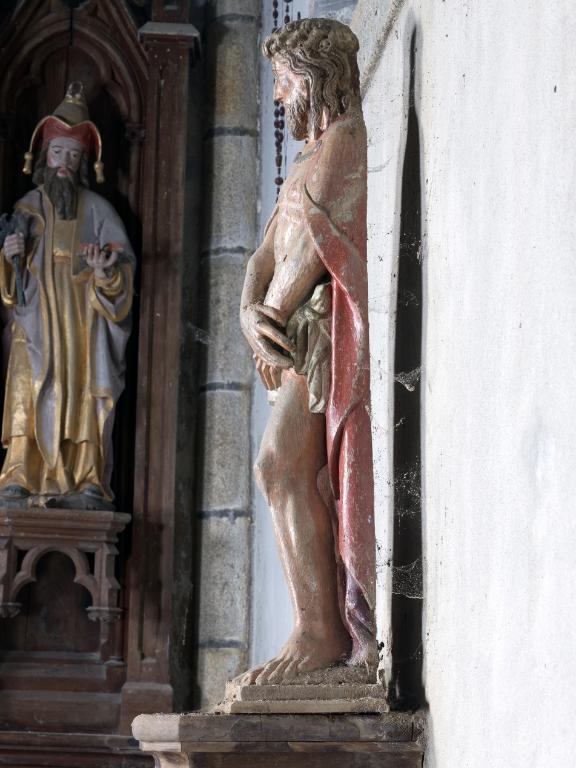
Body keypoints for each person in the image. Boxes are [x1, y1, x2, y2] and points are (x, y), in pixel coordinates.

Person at [239, 18, 376, 684]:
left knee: (280, 465)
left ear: (315, 76)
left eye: (283, 79)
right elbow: (265, 253)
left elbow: (317, 243)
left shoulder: (345, 141)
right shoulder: (304, 159)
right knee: (286, 471)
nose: (277, 96)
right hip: (293, 335)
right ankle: (317, 627)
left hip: (319, 335)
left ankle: (321, 631)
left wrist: (273, 313)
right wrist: (250, 311)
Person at [0, 82, 135, 509]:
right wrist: (10, 256)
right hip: (35, 322)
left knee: (86, 389)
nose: (64, 163)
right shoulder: (25, 209)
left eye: (73, 156)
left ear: (83, 164)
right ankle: (20, 472)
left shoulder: (98, 211)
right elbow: (10, 286)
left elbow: (122, 267)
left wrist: (105, 271)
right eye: (58, 153)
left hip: (82, 323)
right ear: (44, 156)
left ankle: (87, 475)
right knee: (27, 384)